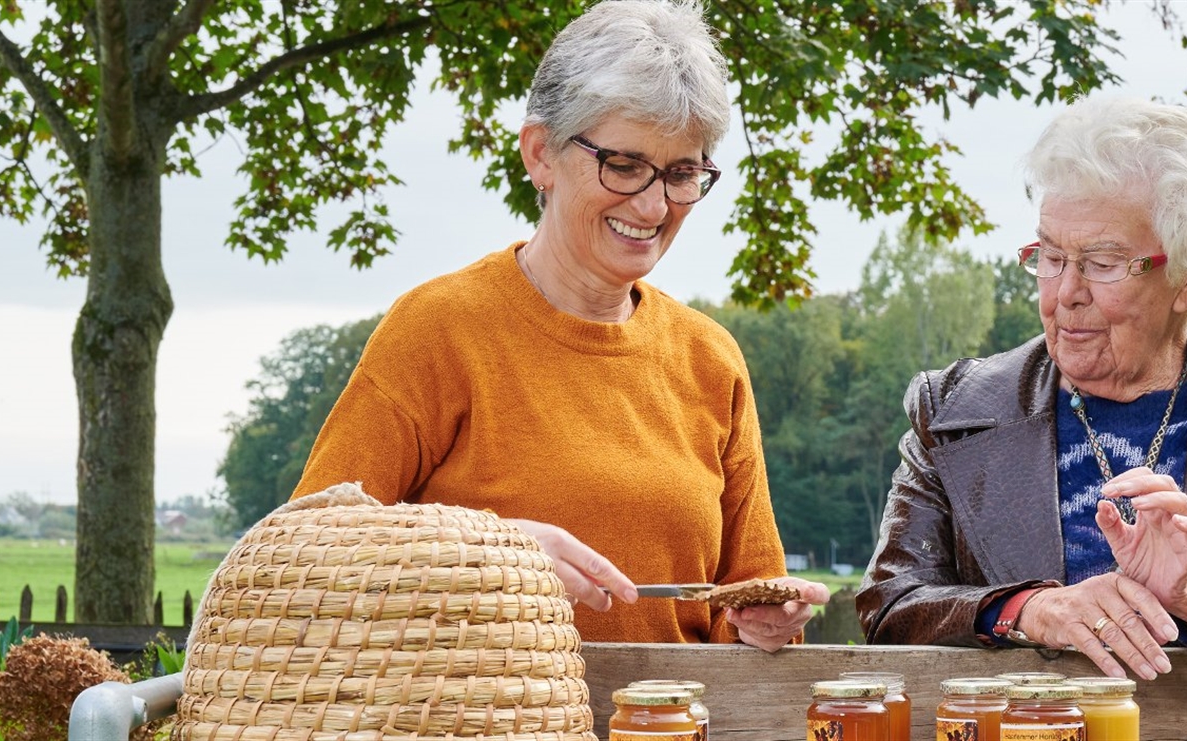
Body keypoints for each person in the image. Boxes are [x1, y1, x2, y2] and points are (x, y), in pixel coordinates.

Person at [292, 0, 824, 650]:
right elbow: (304, 555)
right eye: (624, 165)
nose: (655, 205)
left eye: (682, 172)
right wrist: (489, 558)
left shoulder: (710, 359)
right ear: (540, 154)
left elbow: (745, 609)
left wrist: (763, 629)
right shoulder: (437, 329)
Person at [856, 96, 1187, 679]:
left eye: (1101, 263)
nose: (1064, 293)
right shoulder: (952, 412)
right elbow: (891, 602)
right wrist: (1032, 610)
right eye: (1051, 256)